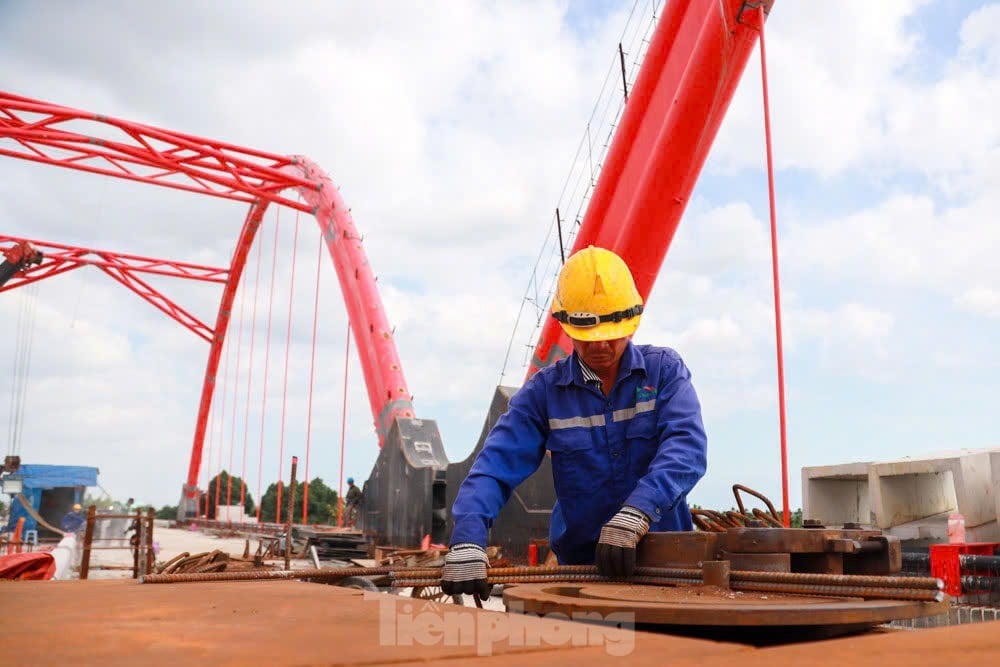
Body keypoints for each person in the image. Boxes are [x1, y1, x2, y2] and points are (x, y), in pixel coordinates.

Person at [441, 246, 707, 597]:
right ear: (567, 325)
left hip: (668, 567)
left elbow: (686, 448)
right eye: (586, 334)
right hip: (582, 571)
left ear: (629, 323)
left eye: (610, 334)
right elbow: (494, 467)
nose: (600, 346)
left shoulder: (664, 372)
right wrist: (468, 538)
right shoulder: (544, 394)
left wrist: (638, 512)